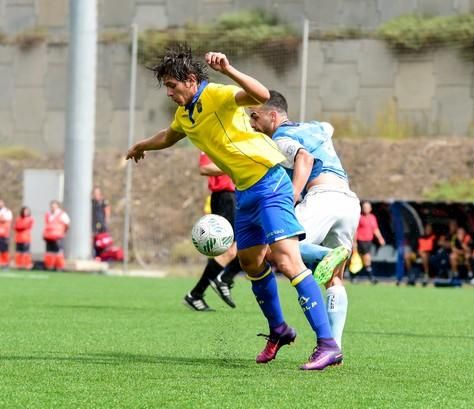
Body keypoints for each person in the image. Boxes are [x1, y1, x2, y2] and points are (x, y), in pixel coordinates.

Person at [125, 44, 342, 370]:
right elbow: (169, 136)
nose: (168, 92)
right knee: (252, 263)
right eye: (166, 86)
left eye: (172, 85)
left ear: (191, 79)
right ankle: (279, 330)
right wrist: (142, 145)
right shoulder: (186, 114)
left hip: (270, 184)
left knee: (286, 259)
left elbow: (259, 93)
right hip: (245, 193)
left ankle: (327, 344)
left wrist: (228, 69)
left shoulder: (216, 94)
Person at [249, 90, 359, 350]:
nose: (252, 124)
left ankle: (321, 255)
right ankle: (335, 347)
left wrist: (294, 195)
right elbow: (328, 128)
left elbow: (305, 158)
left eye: (255, 117)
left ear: (273, 116)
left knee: (274, 250)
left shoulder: (281, 138)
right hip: (348, 200)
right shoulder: (316, 127)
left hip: (322, 197)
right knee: (335, 278)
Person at [184, 152, 240, 311]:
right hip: (225, 198)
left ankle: (199, 292)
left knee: (250, 245)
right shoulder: (213, 141)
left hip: (237, 196)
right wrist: (233, 167)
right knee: (229, 250)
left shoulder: (237, 139)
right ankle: (219, 281)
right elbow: (205, 168)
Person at [354, 201, 385, 284]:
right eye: (364, 207)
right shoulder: (359, 218)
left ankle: (354, 276)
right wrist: (354, 242)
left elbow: (375, 229)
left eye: (367, 207)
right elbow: (355, 231)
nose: (366, 209)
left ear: (370, 209)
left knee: (363, 259)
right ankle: (371, 277)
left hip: (369, 241)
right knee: (367, 258)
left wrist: (380, 238)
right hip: (361, 241)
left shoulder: (372, 217)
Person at [43, 200, 70, 271]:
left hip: (58, 236)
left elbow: (67, 224)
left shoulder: (62, 214)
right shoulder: (48, 214)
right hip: (49, 236)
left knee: (58, 252)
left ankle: (59, 267)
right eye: (51, 206)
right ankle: (49, 266)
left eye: (54, 206)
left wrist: (64, 232)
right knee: (49, 253)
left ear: (57, 206)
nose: (52, 207)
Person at [0, 200, 12, 269]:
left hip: (4, 234)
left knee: (4, 250)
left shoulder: (7, 211)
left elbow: (7, 219)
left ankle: (5, 264)